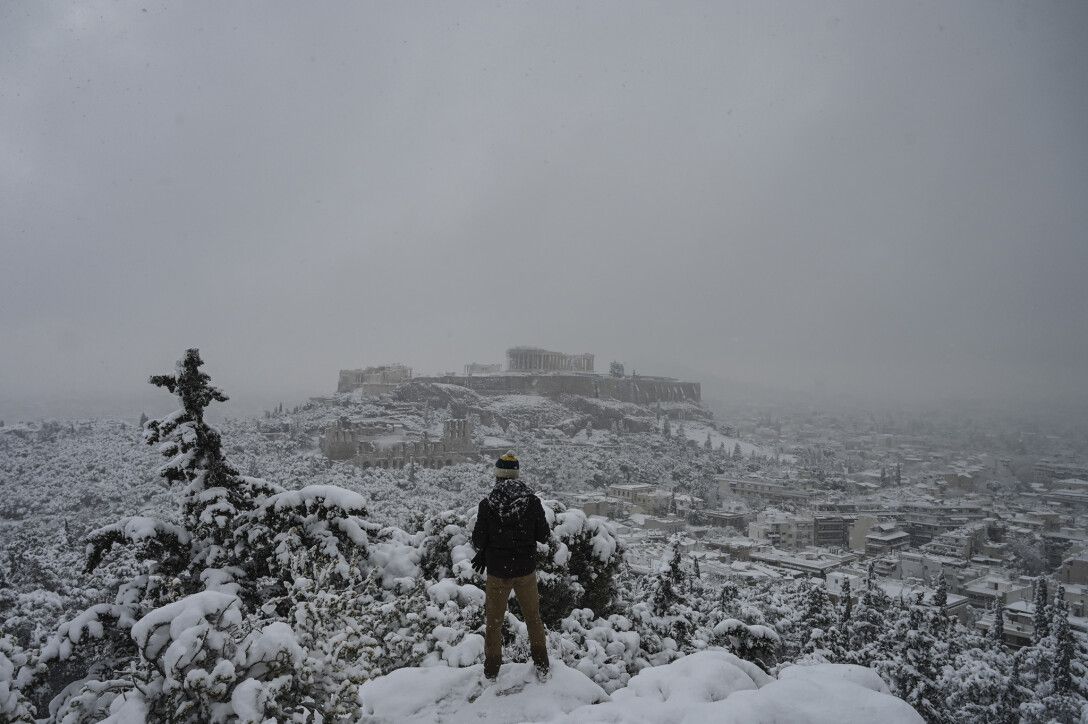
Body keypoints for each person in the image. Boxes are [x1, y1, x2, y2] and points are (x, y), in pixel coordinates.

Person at [471, 451, 551, 680]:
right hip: (525, 571)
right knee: (533, 618)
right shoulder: (532, 502)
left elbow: (478, 540)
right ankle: (542, 665)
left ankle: (492, 671)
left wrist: (491, 547)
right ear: (516, 476)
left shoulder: (488, 505)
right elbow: (543, 536)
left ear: (498, 477)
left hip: (498, 573)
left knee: (494, 624)